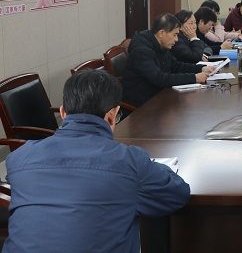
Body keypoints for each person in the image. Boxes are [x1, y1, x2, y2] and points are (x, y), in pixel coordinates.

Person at [3, 70, 190, 252]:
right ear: (112, 116)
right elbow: (177, 194)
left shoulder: (19, 158)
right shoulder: (129, 161)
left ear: (63, 112)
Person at [122, 13, 213, 107]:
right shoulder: (141, 51)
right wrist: (194, 78)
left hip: (159, 95)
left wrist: (201, 68)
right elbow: (159, 78)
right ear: (161, 33)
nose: (176, 39)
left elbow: (176, 66)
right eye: (175, 35)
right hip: (143, 103)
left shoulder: (160, 44)